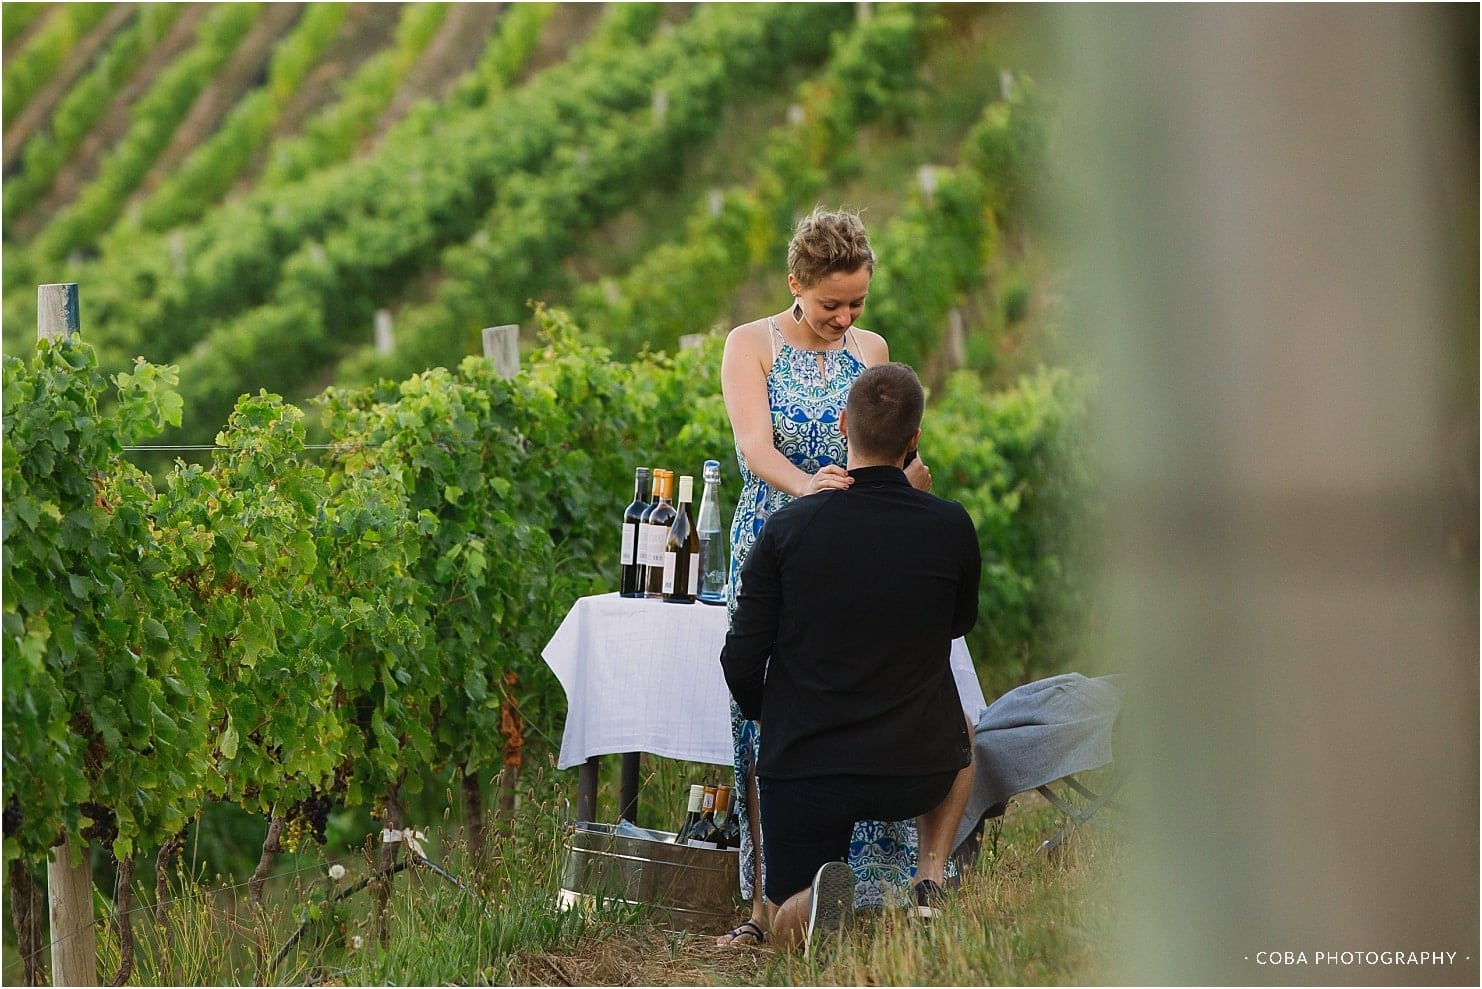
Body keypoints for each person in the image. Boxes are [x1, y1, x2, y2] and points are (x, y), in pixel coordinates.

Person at [715, 208, 933, 947]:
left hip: (852, 556)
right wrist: (808, 486)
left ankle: (864, 891)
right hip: (777, 546)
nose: (845, 318)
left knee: (861, 698)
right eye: (830, 303)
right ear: (795, 285)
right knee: (764, 718)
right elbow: (754, 448)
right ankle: (764, 906)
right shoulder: (751, 345)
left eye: (856, 303)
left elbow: (891, 451)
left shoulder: (871, 348)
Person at [720, 361, 980, 951]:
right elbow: (958, 622)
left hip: (807, 764)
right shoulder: (950, 524)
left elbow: (739, 657)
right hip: (916, 762)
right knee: (964, 731)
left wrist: (773, 717)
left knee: (785, 914)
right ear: (913, 440)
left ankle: (807, 908)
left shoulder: (786, 530)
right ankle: (929, 876)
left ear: (842, 426)